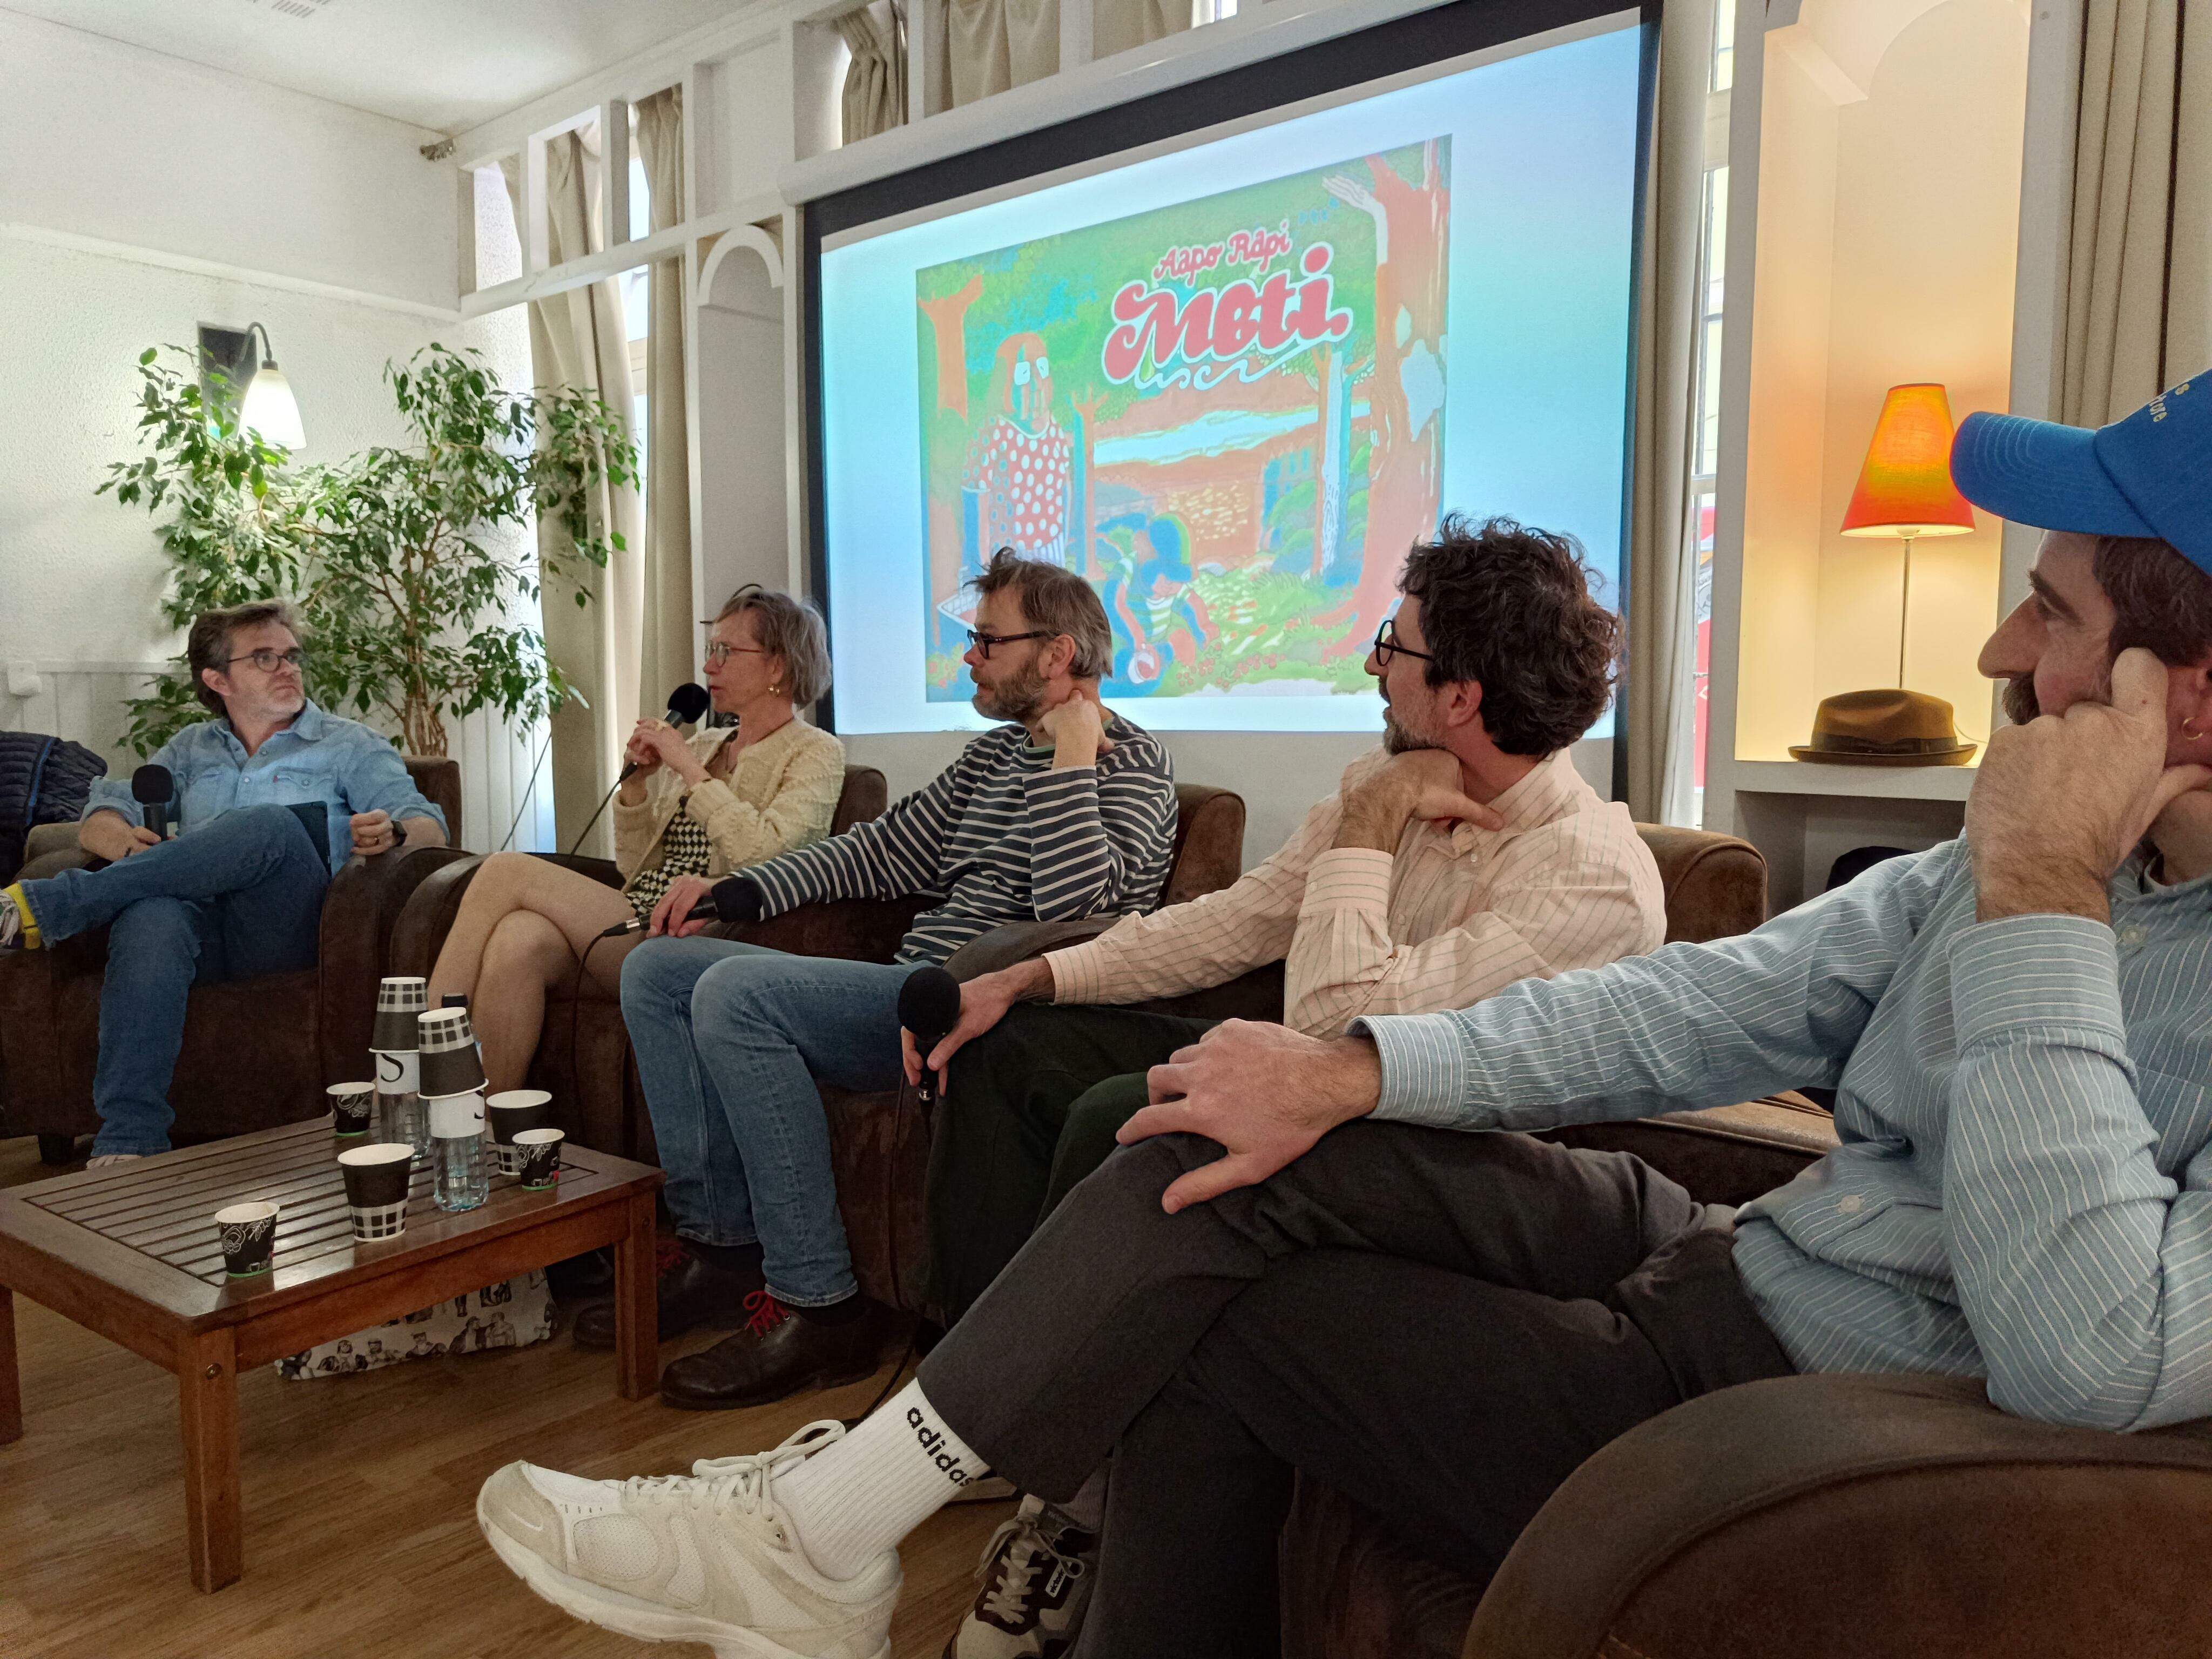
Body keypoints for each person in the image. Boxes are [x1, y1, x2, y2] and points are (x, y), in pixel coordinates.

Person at [477, 376, 2212, 1659]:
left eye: (2052, 610)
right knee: (1220, 1122)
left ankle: (856, 1527)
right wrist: (1346, 1070)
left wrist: (2045, 895)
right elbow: (1683, 1008)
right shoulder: (1967, 874)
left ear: (2183, 693)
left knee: (1196, 1241)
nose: (2002, 648)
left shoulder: (1997, 873)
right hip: (1718, 1246)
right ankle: (842, 1524)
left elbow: (2090, 1348)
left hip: (1814, 1399)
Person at [912, 514, 1664, 1654]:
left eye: (1393, 647)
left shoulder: (1590, 880)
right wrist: (1032, 976)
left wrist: (1368, 823)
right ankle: (988, 1400)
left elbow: (1330, 1033)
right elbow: (1232, 922)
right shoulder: (1394, 783)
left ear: (1460, 697)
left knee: (1135, 1110)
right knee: (1016, 1044)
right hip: (1328, 1103)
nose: (1372, 664)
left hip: (1440, 1171)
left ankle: (1071, 1501)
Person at [582, 549, 1179, 1404]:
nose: (969, 657)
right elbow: (877, 852)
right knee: (658, 970)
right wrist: (735, 891)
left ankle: (821, 1306)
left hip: (986, 1012)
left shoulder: (1132, 766)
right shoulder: (990, 760)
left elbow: (1077, 911)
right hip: (908, 988)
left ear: (1058, 655)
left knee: (735, 995)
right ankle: (721, 1248)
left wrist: (1072, 758)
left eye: (988, 642)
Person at [1, 601, 447, 1163]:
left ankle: (47, 906)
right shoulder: (190, 749)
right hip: (199, 936)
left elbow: (429, 826)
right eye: (265, 658)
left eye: (291, 656)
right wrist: (127, 846)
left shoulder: (349, 745)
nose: (288, 668)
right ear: (218, 680)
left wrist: (394, 831)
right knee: (151, 915)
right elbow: (103, 813)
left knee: (269, 826)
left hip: (289, 929)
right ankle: (129, 1137)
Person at [426, 587, 844, 1091]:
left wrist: (688, 770)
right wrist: (636, 787)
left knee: (503, 870)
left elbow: (771, 857)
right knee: (518, 939)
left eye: (726, 652)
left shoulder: (816, 753)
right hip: (638, 915)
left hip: (704, 935)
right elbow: (636, 869)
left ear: (777, 665)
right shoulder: (707, 744)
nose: (709, 666)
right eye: (710, 650)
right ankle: (483, 1126)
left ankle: (421, 1059)